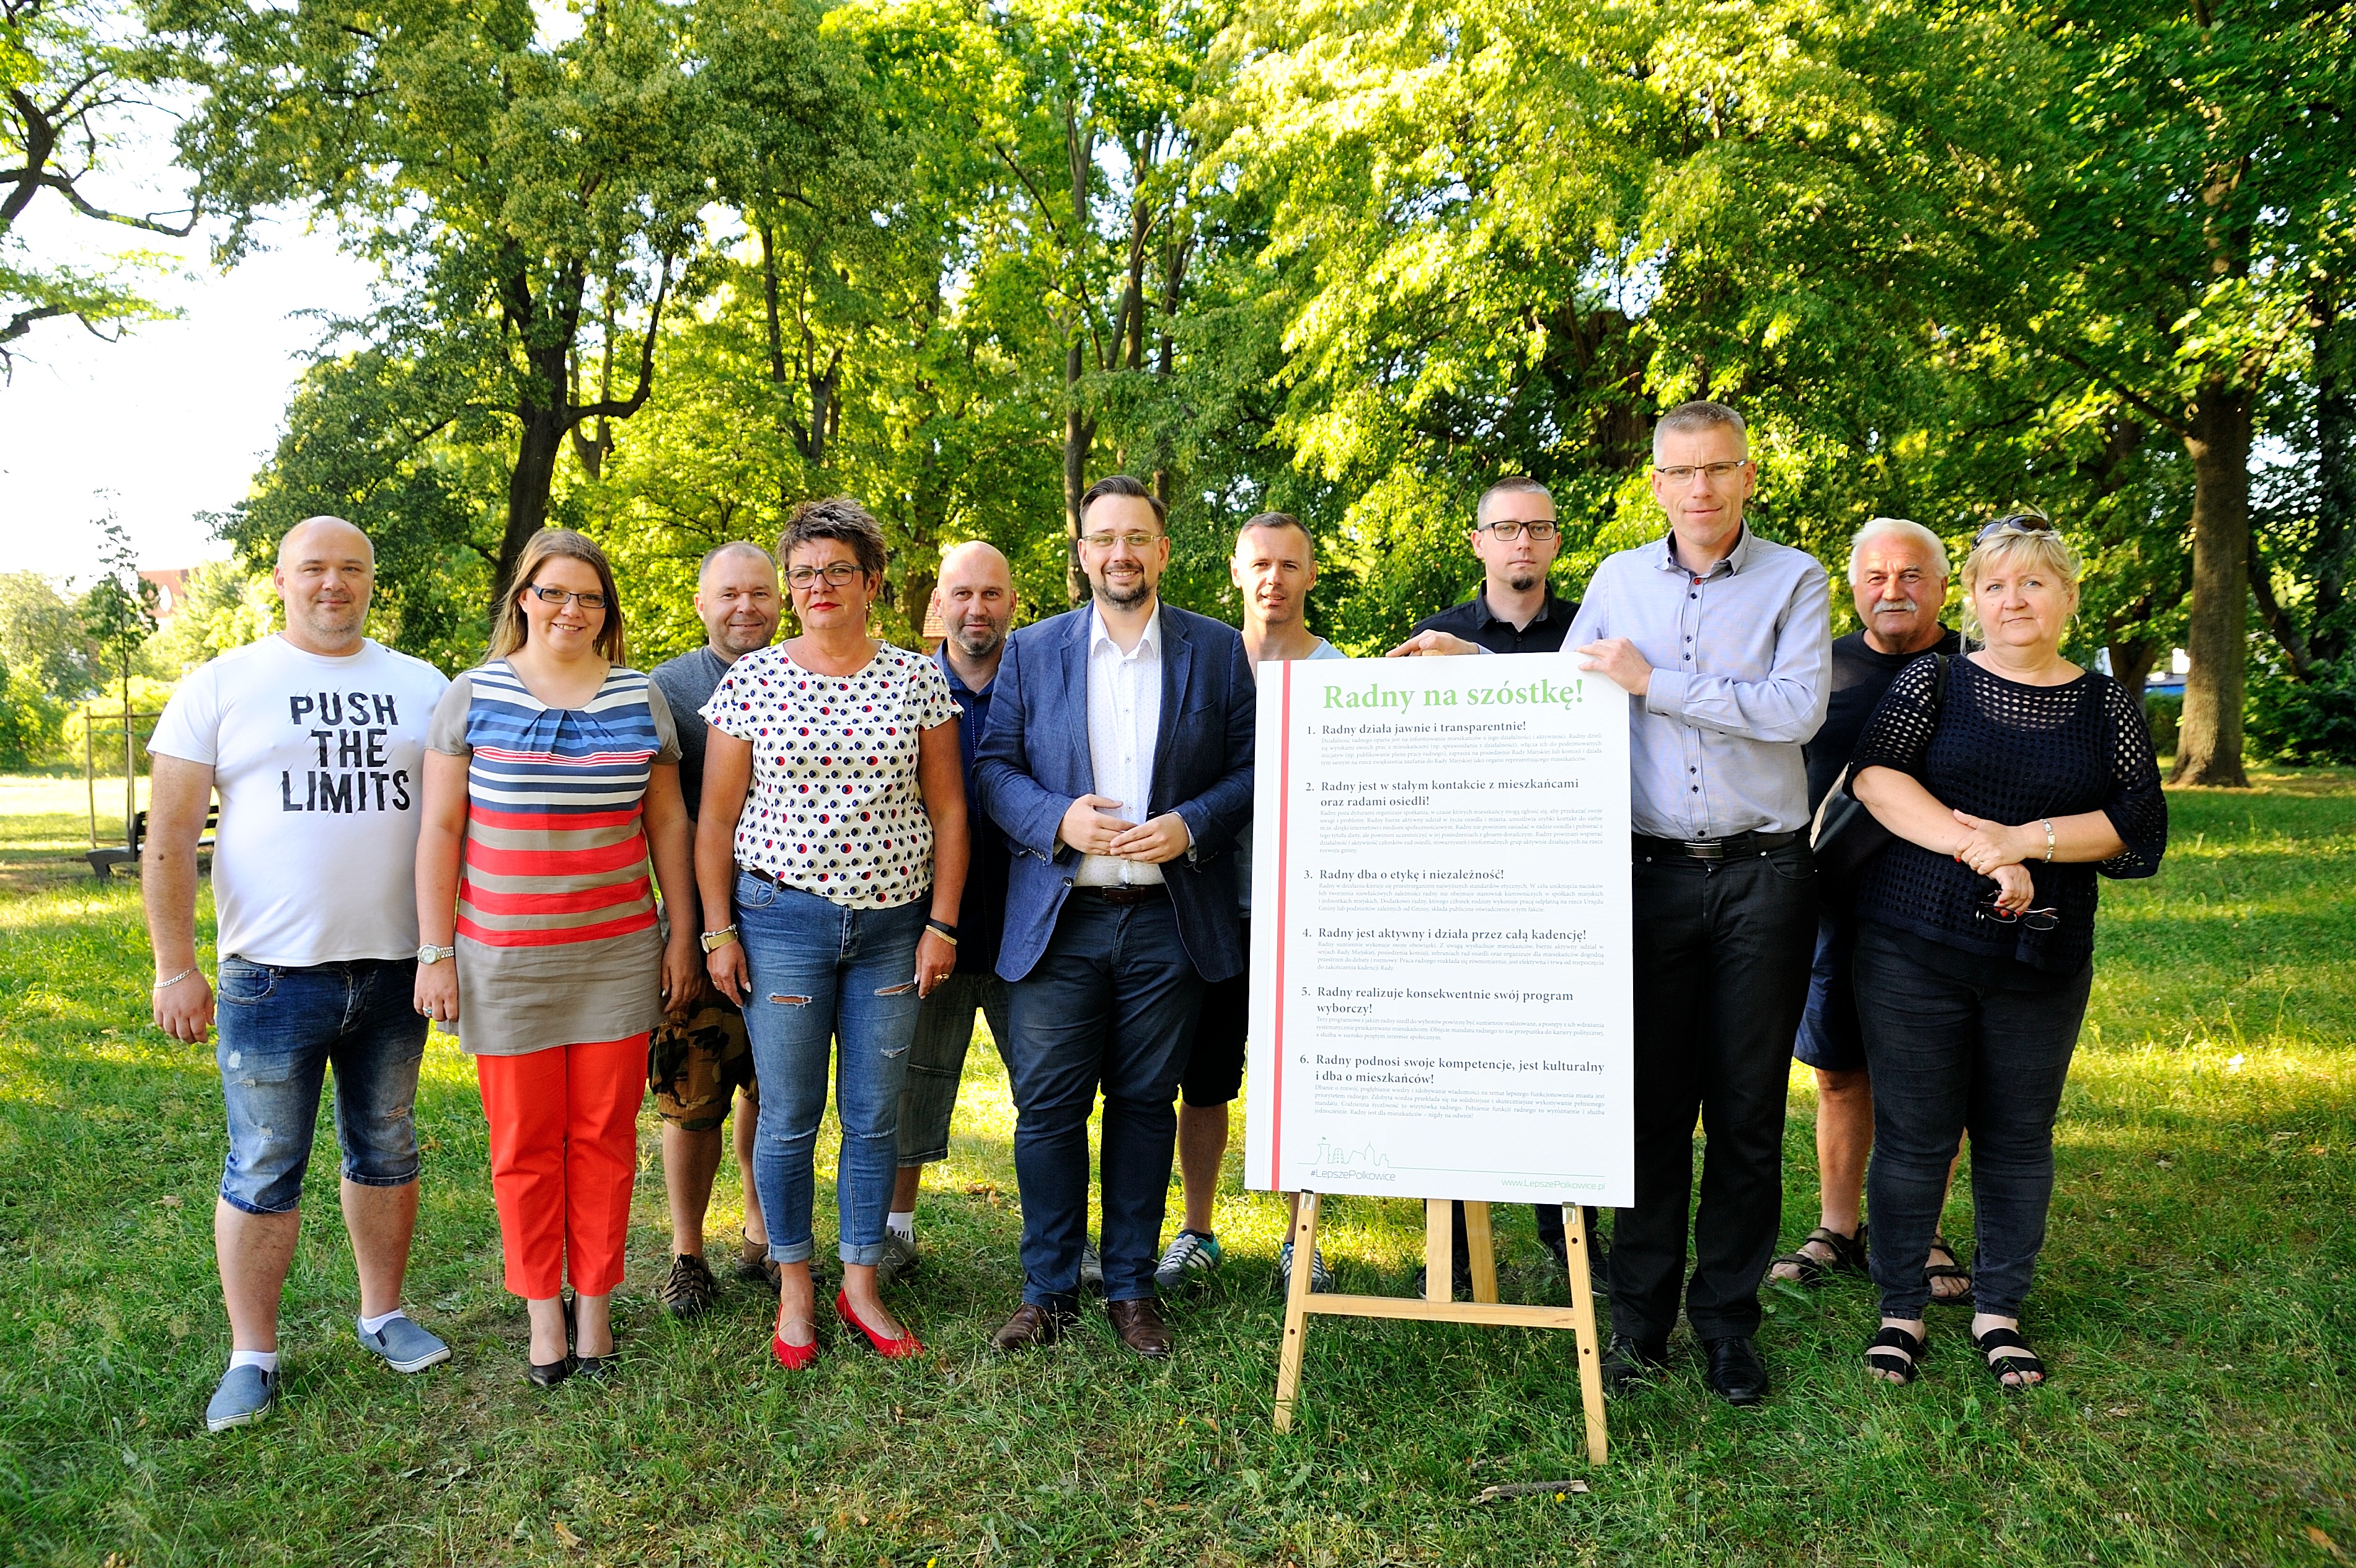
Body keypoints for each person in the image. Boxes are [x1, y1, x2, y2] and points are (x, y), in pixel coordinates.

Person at [145, 516, 454, 1432]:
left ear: (371, 581)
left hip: (397, 968)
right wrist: (174, 965)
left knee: (388, 1145)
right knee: (265, 1162)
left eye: (352, 568)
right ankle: (253, 1355)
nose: (333, 583)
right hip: (270, 976)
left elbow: (458, 822)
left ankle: (383, 1314)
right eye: (313, 568)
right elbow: (167, 839)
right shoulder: (222, 685)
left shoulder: (422, 686)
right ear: (278, 580)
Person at [1848, 515, 2164, 1390]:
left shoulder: (2108, 705)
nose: (2014, 600)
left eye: (2033, 583)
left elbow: (2136, 825)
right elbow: (1876, 777)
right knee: (1913, 1136)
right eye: (1996, 585)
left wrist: (2027, 841)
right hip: (1915, 943)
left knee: (2019, 1138)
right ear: (1973, 598)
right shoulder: (1935, 679)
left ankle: (1998, 1310)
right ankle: (1900, 1309)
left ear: (2066, 596)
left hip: (2042, 956)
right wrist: (1981, 852)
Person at [1565, 401, 1829, 1406]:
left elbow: (1796, 709)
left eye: (1720, 468)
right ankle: (1640, 1324)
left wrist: (1657, 682)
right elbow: (1570, 687)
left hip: (1766, 872)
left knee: (1750, 1109)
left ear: (1747, 474)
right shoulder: (1616, 579)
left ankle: (1728, 1323)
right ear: (1658, 483)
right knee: (1652, 1109)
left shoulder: (1795, 578)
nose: (1703, 488)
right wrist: (1477, 670)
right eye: (1684, 471)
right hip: (1651, 876)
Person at [975, 475, 1255, 1359]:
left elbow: (1251, 769)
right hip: (1064, 917)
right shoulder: (1032, 651)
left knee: (1144, 1104)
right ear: (1083, 554)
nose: (1121, 552)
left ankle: (1132, 1288)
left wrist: (1193, 824)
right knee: (1048, 1108)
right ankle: (1049, 1288)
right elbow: (992, 769)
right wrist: (1054, 817)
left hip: (1169, 919)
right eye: (1105, 538)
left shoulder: (1216, 651)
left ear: (1163, 551)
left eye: (1138, 536)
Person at [415, 528, 701, 1388]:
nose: (570, 609)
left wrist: (682, 933)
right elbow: (440, 829)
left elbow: (668, 827)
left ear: (607, 610)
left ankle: (598, 1309)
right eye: (553, 592)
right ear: (523, 599)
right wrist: (436, 951)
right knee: (524, 1143)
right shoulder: (472, 695)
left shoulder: (639, 698)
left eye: (589, 596)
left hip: (616, 954)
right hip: (505, 960)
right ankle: (545, 1312)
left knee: (605, 1138)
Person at [694, 498, 968, 1370]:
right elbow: (714, 822)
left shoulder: (917, 680)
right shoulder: (754, 683)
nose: (817, 587)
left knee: (873, 1113)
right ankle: (795, 1286)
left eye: (836, 571)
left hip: (894, 929)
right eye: (804, 574)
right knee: (787, 1115)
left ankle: (860, 1283)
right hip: (783, 925)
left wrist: (943, 924)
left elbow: (950, 810)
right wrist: (716, 933)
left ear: (872, 582)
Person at [1771, 518, 1973, 1303]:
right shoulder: (1811, 672)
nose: (1893, 589)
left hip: (1942, 909)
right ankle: (1835, 1225)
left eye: (1912, 575)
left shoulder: (1976, 668)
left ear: (1943, 587)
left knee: (1934, 1083)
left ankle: (1919, 1231)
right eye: (1877, 575)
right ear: (1852, 587)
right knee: (1838, 1075)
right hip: (1833, 907)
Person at [1156, 512, 1346, 1297]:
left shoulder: (1337, 673)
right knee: (1202, 1080)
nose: (1273, 578)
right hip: (1206, 906)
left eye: (1289, 565)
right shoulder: (1198, 663)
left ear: (1309, 575)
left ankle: (1301, 1239)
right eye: (1259, 563)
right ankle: (1197, 1230)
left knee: (1303, 1079)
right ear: (1236, 572)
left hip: (1302, 910)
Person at [646, 543, 783, 1317]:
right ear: (701, 604)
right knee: (691, 1093)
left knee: (773, 1091)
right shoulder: (670, 689)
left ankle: (761, 1234)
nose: (746, 608)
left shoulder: (806, 673)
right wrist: (691, 937)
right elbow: (666, 823)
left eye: (760, 594)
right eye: (729, 594)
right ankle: (687, 1252)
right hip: (697, 928)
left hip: (789, 929)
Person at [877, 541, 1019, 1285]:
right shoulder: (900, 685)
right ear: (938, 602)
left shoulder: (1043, 678)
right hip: (926, 920)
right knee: (911, 1078)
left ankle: (1063, 1238)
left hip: (1026, 919)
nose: (976, 609)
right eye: (961, 594)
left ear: (1012, 604)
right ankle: (894, 1231)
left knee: (1049, 1086)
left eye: (991, 594)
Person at [1408, 475, 1579, 653]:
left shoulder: (1591, 631)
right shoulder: (1436, 638)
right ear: (1479, 544)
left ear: (1556, 544)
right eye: (1507, 528)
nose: (1524, 543)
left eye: (1539, 528)